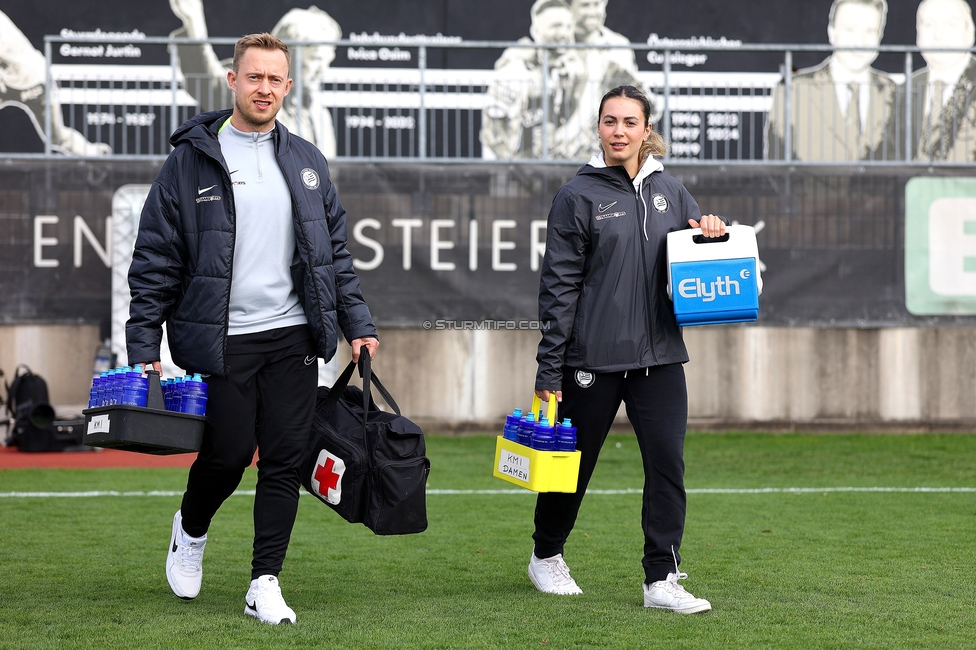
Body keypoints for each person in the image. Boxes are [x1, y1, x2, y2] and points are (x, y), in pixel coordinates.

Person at [126, 33, 378, 625]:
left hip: (292, 334)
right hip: (222, 339)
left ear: (288, 87)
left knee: (286, 457)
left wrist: (357, 325)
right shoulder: (190, 160)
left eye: (276, 80)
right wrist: (145, 344)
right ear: (233, 81)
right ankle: (189, 530)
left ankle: (264, 581)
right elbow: (156, 257)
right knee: (229, 452)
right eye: (254, 77)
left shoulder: (307, 161)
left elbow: (333, 256)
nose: (265, 88)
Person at [529, 84, 724, 613]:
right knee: (572, 465)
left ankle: (661, 578)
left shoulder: (674, 192)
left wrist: (712, 234)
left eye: (629, 122)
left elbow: (694, 267)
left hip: (660, 358)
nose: (619, 131)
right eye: (609, 122)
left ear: (646, 130)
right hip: (592, 358)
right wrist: (550, 370)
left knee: (667, 464)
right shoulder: (577, 195)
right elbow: (559, 287)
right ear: (598, 128)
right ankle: (545, 554)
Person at [168, 0, 341, 157]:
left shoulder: (317, 111)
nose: (322, 70)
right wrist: (194, 24)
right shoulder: (256, 94)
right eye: (316, 60)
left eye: (327, 61)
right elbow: (209, 80)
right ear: (289, 56)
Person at [764, 0, 900, 161]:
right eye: (850, 30)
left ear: (880, 36)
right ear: (832, 32)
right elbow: (776, 163)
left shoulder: (893, 91)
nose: (860, 42)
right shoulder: (792, 90)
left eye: (870, 31)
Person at [0, 10, 112, 155]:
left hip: (33, 80)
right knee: (57, 138)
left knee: (56, 138)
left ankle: (96, 156)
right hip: (16, 79)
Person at [913, 0, 976, 162]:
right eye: (928, 25)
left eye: (950, 24)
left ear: (970, 32)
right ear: (918, 35)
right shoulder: (906, 88)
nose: (938, 35)